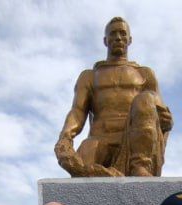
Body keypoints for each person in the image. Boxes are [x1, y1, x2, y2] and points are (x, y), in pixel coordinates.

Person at [55, 16, 173, 177]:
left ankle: (140, 165)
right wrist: (65, 136)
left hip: (133, 144)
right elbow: (78, 111)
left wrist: (167, 120)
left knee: (146, 98)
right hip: (100, 138)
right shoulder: (90, 76)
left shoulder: (144, 74)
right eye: (113, 34)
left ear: (129, 39)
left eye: (122, 34)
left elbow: (158, 112)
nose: (118, 37)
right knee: (85, 160)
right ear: (105, 40)